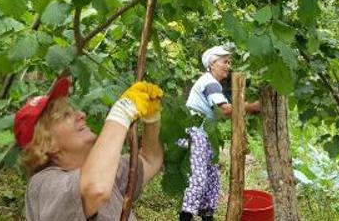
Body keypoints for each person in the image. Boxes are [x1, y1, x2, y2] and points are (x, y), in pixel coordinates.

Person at [14, 76, 164, 220]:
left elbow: (150, 160)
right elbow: (94, 189)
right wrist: (122, 112)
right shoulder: (43, 186)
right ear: (46, 143)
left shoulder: (103, 172)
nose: (81, 115)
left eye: (74, 111)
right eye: (66, 115)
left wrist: (152, 119)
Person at [179, 46, 261, 221]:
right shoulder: (210, 82)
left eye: (229, 62)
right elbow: (225, 110)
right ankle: (185, 217)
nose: (228, 66)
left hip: (205, 134)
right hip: (195, 133)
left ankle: (207, 216)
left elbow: (221, 111)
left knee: (212, 178)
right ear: (212, 63)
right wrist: (251, 107)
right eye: (225, 61)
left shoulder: (213, 84)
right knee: (199, 178)